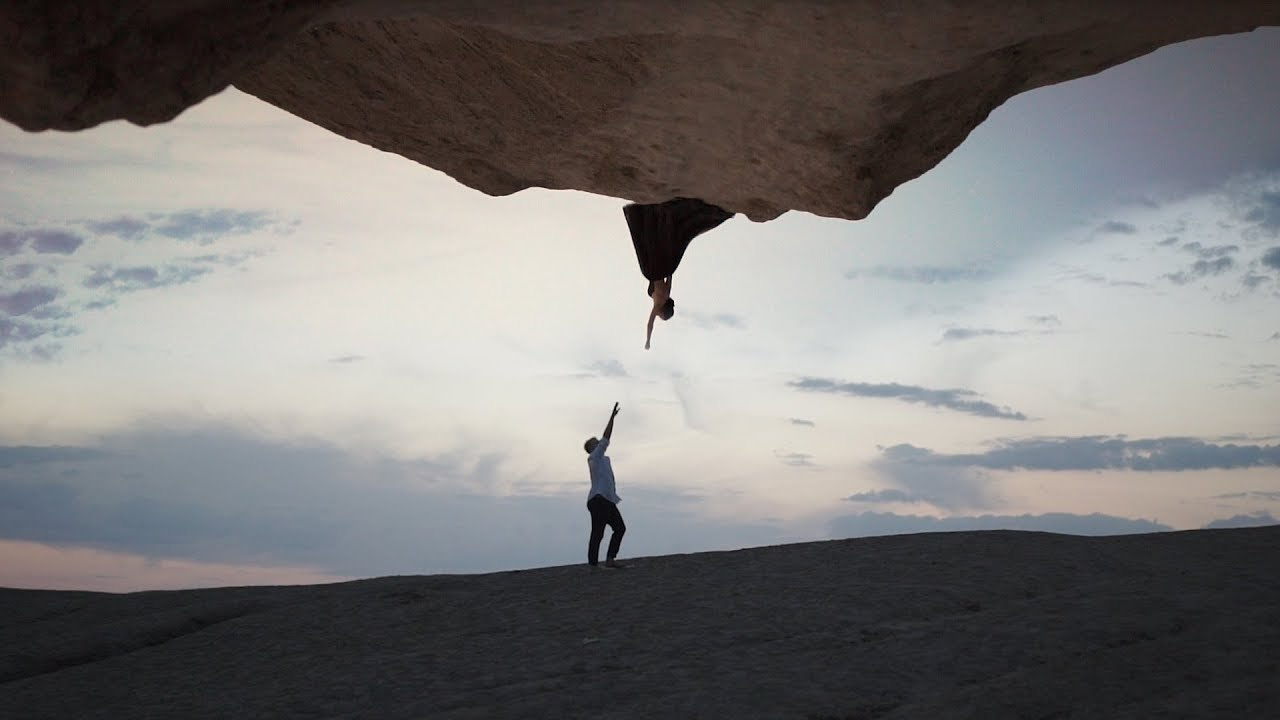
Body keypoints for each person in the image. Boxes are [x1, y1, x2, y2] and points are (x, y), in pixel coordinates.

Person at [623, 197, 735, 349]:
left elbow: (669, 275)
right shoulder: (658, 302)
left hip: (660, 267)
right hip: (651, 269)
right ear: (663, 312)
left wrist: (670, 254)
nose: (658, 316)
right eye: (661, 317)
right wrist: (648, 341)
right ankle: (649, 212)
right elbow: (650, 324)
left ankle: (655, 216)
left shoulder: (667, 294)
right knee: (648, 240)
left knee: (654, 240)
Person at [584, 402, 625, 568]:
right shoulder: (594, 457)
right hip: (598, 500)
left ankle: (609, 559)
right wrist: (612, 418)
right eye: (596, 441)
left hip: (606, 500)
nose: (599, 441)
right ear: (593, 447)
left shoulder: (602, 459)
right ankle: (593, 565)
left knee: (619, 528)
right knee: (598, 533)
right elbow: (606, 437)